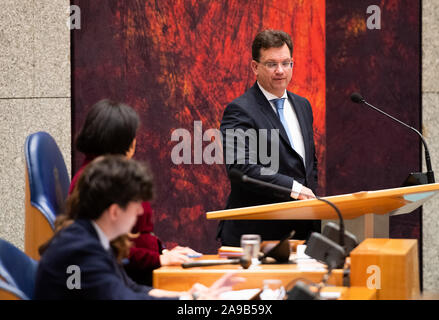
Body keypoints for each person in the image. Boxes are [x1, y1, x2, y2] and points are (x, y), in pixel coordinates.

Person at [35, 156, 243, 299]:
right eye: (136, 205)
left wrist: (190, 296)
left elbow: (131, 289)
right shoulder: (80, 251)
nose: (140, 213)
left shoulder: (92, 238)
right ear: (115, 211)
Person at [70, 99, 200, 285]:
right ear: (120, 142)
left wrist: (163, 252)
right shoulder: (98, 182)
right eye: (132, 136)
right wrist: (158, 260)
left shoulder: (104, 172)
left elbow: (136, 237)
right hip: (133, 275)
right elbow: (109, 247)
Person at [218, 29, 321, 246]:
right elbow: (240, 168)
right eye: (271, 64)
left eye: (286, 63)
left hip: (301, 232)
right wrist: (294, 188)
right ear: (255, 66)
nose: (280, 71)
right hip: (257, 235)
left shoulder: (303, 106)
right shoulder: (240, 110)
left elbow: (309, 165)